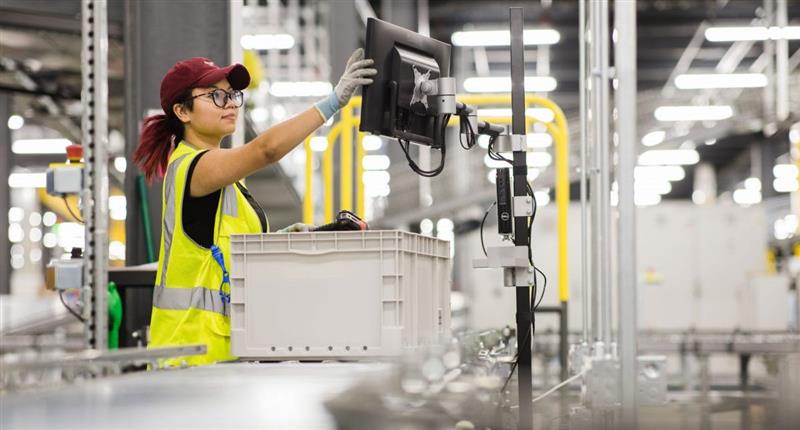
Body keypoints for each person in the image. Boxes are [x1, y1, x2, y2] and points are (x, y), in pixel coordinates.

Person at [133, 49, 377, 366]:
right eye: (216, 96)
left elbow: (226, 253)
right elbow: (266, 149)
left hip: (220, 355)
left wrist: (281, 239)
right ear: (182, 111)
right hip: (189, 356)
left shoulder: (228, 179)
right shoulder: (193, 167)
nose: (232, 103)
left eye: (233, 95)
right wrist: (332, 103)